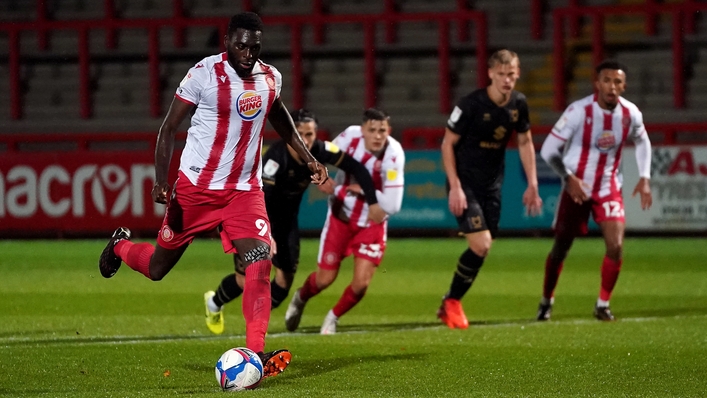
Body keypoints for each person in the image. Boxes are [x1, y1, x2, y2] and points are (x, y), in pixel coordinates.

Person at [97, 12, 329, 377]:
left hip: (243, 193)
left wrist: (310, 157)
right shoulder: (203, 74)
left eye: (254, 46)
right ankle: (120, 246)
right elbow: (168, 127)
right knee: (158, 269)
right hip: (195, 192)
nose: (248, 53)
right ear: (226, 42)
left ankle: (256, 354)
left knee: (260, 259)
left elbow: (279, 114)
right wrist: (162, 179)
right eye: (241, 45)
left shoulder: (270, 77)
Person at [203, 108, 386, 334]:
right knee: (246, 281)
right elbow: (263, 199)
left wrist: (373, 201)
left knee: (284, 282)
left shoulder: (319, 151)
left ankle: (255, 323)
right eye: (300, 134)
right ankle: (215, 304)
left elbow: (356, 167)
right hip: (252, 220)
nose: (306, 140)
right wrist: (266, 234)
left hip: (287, 224)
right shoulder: (274, 160)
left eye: (310, 134)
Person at [536, 60, 652, 322]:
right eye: (607, 81)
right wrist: (568, 178)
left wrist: (644, 177)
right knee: (561, 248)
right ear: (597, 83)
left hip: (609, 187)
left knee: (616, 246)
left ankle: (602, 304)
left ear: (624, 86)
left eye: (618, 82)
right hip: (577, 189)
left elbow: (643, 140)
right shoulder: (578, 111)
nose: (612, 86)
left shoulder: (630, 113)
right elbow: (548, 150)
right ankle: (546, 300)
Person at [438, 49, 543, 329]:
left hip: (492, 185)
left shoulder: (519, 103)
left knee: (484, 248)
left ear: (517, 74)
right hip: (465, 184)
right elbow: (447, 144)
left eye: (511, 74)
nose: (507, 80)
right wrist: (455, 187)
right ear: (490, 74)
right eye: (501, 74)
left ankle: (449, 299)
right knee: (481, 243)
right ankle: (452, 302)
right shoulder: (470, 105)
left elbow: (524, 142)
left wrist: (533, 183)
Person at [284, 108, 405, 335]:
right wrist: (323, 178)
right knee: (324, 280)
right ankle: (300, 298)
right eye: (372, 130)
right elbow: (321, 156)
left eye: (383, 131)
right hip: (341, 218)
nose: (378, 136)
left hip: (370, 225)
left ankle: (333, 316)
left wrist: (354, 191)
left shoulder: (394, 155)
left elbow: (392, 206)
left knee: (361, 285)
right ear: (362, 130)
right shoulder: (349, 137)